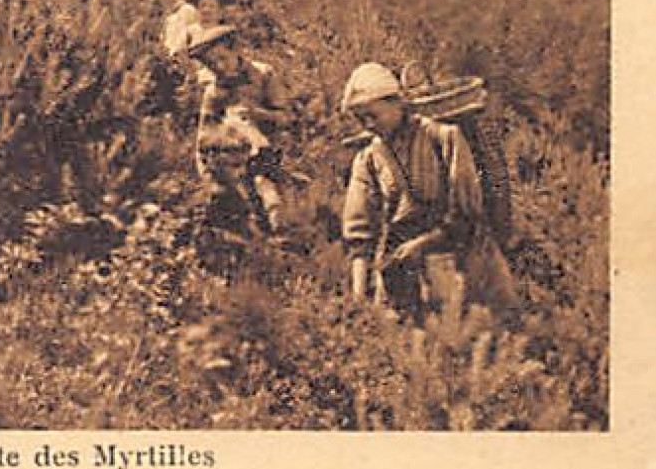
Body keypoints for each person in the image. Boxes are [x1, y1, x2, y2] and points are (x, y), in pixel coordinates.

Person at [339, 62, 516, 319]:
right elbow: (359, 231)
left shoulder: (444, 138)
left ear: (397, 104)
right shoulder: (368, 159)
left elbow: (465, 212)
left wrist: (424, 243)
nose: (368, 125)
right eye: (360, 118)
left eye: (373, 115)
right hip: (403, 262)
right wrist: (357, 295)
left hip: (461, 254)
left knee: (479, 334)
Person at [188, 24, 295, 239]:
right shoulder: (213, 91)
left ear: (236, 49)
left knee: (265, 186)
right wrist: (205, 172)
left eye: (222, 59)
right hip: (232, 157)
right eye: (212, 64)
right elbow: (204, 134)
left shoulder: (263, 74)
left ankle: (281, 230)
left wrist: (258, 114)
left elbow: (286, 118)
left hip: (267, 149)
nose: (219, 67)